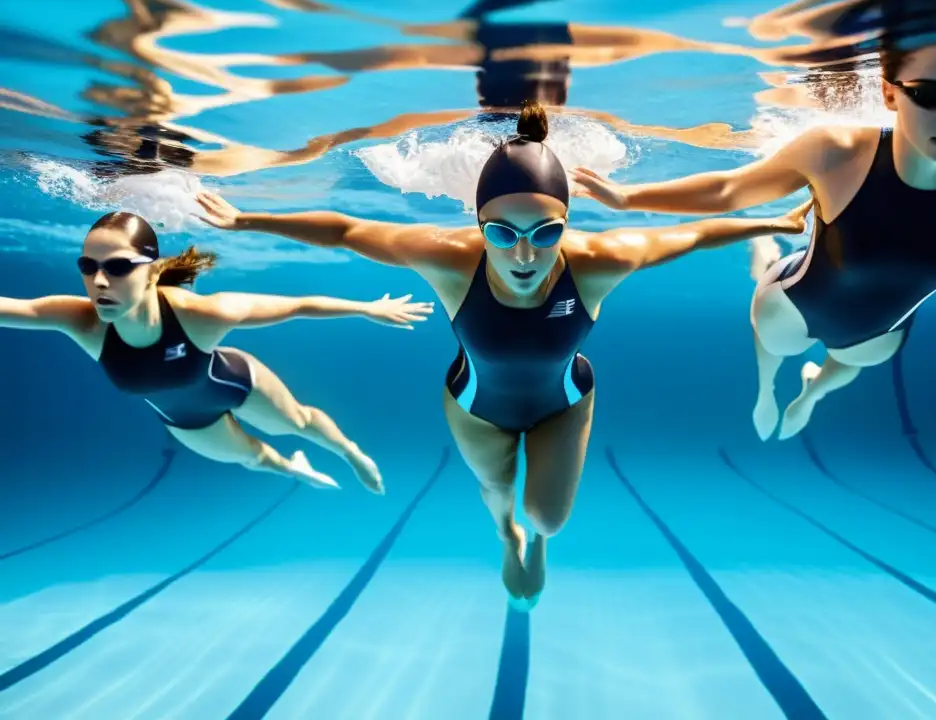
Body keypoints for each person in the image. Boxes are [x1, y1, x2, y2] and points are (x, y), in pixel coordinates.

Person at [196, 101, 809, 607]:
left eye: (546, 233)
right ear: (477, 221)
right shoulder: (447, 259)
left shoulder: (598, 265)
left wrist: (773, 224)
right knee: (497, 494)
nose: (524, 255)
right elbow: (346, 231)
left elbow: (691, 233)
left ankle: (535, 537)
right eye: (502, 234)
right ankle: (505, 534)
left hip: (564, 403)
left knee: (550, 518)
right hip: (475, 408)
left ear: (567, 223)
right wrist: (245, 220)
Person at [571, 36, 936, 441]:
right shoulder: (837, 150)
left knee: (847, 367)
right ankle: (766, 388)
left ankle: (811, 394)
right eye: (927, 94)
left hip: (881, 333)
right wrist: (626, 198)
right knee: (775, 351)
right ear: (888, 93)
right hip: (791, 307)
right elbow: (730, 189)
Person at [0, 211, 432, 491]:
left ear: (150, 273)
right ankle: (293, 468)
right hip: (185, 419)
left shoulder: (202, 315)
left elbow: (297, 305)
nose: (98, 282)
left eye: (116, 268)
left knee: (298, 420)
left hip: (234, 382)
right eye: (87, 267)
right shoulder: (78, 320)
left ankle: (349, 452)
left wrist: (367, 308)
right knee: (254, 458)